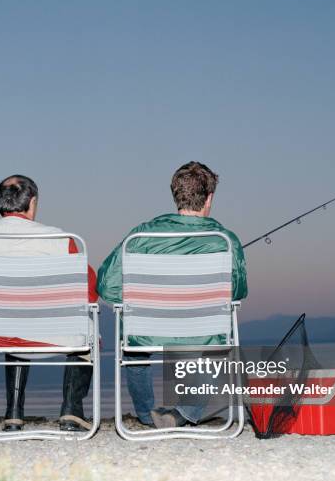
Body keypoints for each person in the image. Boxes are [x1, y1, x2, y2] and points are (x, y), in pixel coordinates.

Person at [97, 161, 248, 428]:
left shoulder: (140, 236)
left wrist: (141, 302)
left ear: (175, 194)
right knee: (219, 338)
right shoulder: (225, 240)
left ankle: (147, 414)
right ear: (209, 198)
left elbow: (106, 286)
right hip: (204, 331)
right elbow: (237, 293)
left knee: (132, 344)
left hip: (147, 330)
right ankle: (183, 412)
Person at [0, 175, 98, 432]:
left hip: (0, 337)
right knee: (89, 330)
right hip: (56, 335)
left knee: (11, 323)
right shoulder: (60, 238)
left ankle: (13, 415)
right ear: (32, 203)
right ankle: (71, 411)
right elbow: (88, 292)